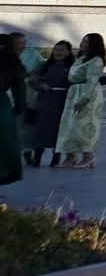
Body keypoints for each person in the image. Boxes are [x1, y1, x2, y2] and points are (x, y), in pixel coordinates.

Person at [57, 31, 106, 170]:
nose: (83, 44)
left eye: (87, 42)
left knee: (84, 126)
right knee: (69, 125)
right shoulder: (81, 58)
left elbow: (92, 81)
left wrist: (84, 100)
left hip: (87, 94)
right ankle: (70, 156)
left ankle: (88, 156)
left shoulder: (96, 60)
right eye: (83, 41)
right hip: (74, 92)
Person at [27, 39, 74, 167]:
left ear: (69, 52)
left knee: (58, 129)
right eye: (56, 50)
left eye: (61, 50)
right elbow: (32, 78)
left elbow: (80, 80)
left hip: (62, 101)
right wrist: (40, 85)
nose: (58, 52)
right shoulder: (45, 65)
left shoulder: (73, 67)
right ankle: (37, 156)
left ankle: (56, 156)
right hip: (44, 101)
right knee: (40, 128)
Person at [0, 30, 30, 185]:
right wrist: (19, 109)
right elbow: (20, 92)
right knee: (4, 144)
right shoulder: (13, 63)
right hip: (1, 105)